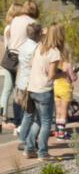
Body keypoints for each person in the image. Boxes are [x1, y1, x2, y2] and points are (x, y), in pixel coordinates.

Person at [19, 23, 64, 161]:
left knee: (38, 121)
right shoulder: (54, 52)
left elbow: (32, 65)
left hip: (32, 88)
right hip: (44, 90)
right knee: (46, 123)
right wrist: (63, 74)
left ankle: (29, 149)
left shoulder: (39, 47)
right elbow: (51, 75)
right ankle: (43, 153)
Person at [53, 37, 79, 140]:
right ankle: (61, 134)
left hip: (56, 88)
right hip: (65, 89)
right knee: (64, 112)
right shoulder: (68, 64)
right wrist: (75, 73)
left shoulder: (56, 64)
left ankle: (57, 132)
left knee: (58, 111)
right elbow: (73, 78)